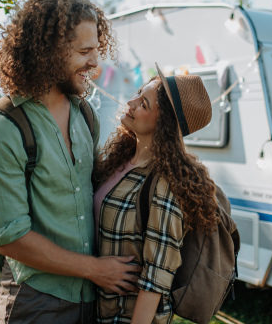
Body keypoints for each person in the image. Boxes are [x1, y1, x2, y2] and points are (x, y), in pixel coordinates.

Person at [0, 0, 141, 324]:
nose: (95, 63)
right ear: (48, 52)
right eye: (84, 51)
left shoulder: (84, 114)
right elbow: (10, 238)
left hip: (92, 296)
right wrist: (96, 270)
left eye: (97, 50)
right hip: (38, 300)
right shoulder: (6, 126)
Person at [93, 64, 220, 324]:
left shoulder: (165, 182)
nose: (130, 102)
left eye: (144, 104)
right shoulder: (118, 161)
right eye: (139, 94)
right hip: (95, 311)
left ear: (163, 124)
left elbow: (157, 277)